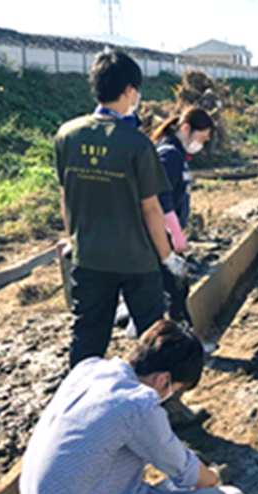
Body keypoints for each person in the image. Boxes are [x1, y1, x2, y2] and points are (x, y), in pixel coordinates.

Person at [20, 320, 246, 494]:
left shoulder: (89, 370)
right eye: (176, 389)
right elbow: (185, 469)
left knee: (179, 487)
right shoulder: (138, 404)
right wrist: (213, 480)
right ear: (163, 380)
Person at [55, 49, 187, 368]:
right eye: (136, 92)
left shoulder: (68, 135)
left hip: (89, 258)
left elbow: (66, 197)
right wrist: (168, 258)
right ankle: (162, 408)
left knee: (87, 337)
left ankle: (79, 405)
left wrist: (74, 238)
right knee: (152, 339)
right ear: (129, 91)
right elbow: (151, 210)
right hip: (137, 262)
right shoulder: (137, 144)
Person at [149, 107, 215, 327]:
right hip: (163, 234)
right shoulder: (169, 155)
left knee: (173, 288)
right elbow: (161, 197)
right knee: (176, 290)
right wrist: (174, 232)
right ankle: (182, 339)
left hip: (166, 232)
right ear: (186, 129)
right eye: (201, 138)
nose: (201, 145)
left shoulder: (176, 154)